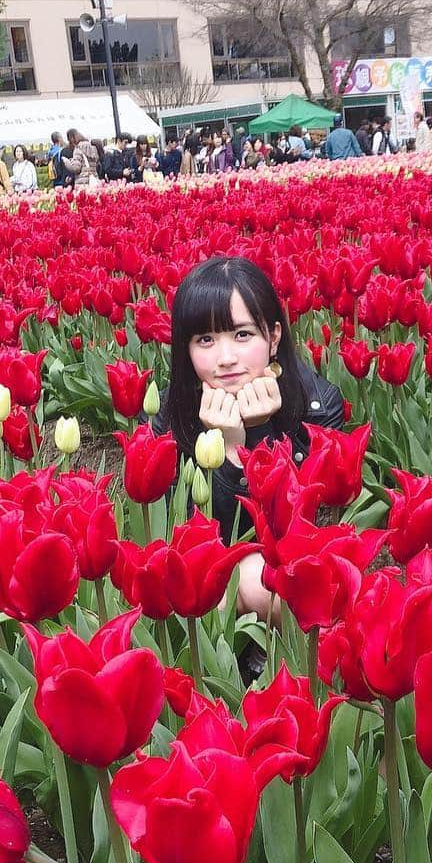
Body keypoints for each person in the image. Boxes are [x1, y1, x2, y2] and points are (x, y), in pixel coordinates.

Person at [151, 256, 345, 622]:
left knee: (259, 582)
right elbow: (188, 527)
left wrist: (257, 440)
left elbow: (298, 524)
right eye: (205, 339)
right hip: (211, 567)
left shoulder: (317, 405)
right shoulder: (173, 410)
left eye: (242, 335)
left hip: (285, 565)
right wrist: (226, 447)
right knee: (218, 589)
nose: (226, 358)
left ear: (273, 337)